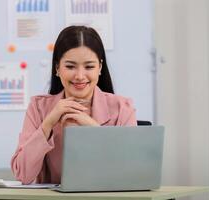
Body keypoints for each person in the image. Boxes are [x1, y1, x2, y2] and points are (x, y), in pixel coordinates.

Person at [11, 26, 137, 184]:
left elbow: (132, 173)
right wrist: (48, 124)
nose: (79, 76)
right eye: (70, 66)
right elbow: (23, 175)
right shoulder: (38, 107)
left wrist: (95, 130)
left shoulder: (122, 108)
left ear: (100, 67)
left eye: (89, 66)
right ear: (57, 68)